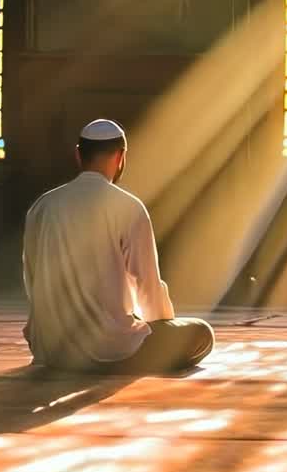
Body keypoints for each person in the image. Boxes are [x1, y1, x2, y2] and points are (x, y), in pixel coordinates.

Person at [22, 119, 214, 373]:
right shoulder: (128, 207)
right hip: (107, 349)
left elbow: (31, 277)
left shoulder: (43, 206)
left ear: (79, 155)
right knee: (201, 333)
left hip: (52, 350)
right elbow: (147, 289)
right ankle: (113, 363)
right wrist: (159, 325)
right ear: (121, 157)